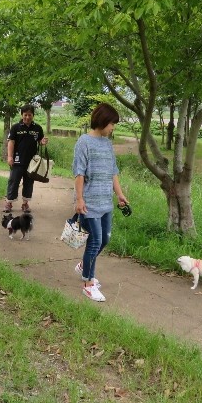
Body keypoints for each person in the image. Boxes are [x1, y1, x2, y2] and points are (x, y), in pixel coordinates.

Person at [72, 102, 128, 302]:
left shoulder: (107, 143)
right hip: (89, 203)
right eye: (112, 123)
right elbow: (79, 173)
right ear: (103, 121)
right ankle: (88, 283)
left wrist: (119, 194)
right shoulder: (84, 142)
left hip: (106, 202)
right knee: (94, 241)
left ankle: (84, 265)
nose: (113, 128)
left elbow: (113, 172)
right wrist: (79, 200)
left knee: (105, 239)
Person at [4, 104, 48, 213]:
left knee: (28, 183)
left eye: (30, 115)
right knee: (14, 181)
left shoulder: (37, 128)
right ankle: (9, 203)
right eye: (25, 115)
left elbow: (40, 141)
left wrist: (42, 142)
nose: (27, 117)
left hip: (32, 163)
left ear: (33, 115)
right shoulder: (15, 127)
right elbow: (11, 142)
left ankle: (25, 204)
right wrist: (10, 157)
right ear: (21, 115)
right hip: (17, 161)